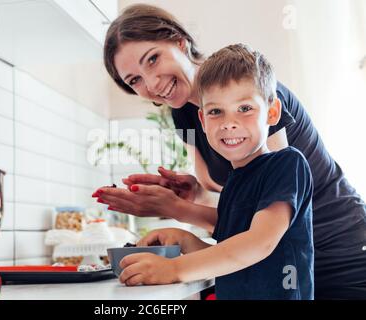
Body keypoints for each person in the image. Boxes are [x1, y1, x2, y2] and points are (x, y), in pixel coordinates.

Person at [93, 4, 366, 299]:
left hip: (339, 251)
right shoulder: (183, 114)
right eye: (134, 80)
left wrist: (175, 227)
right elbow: (239, 210)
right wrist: (190, 195)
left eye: (153, 59)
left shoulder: (257, 93)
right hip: (275, 268)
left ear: (179, 40)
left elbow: (267, 228)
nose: (151, 83)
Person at [118, 44, 314, 300]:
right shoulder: (234, 181)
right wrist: (185, 240)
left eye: (244, 108)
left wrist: (174, 268)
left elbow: (258, 243)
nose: (229, 123)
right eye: (215, 112)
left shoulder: (287, 165)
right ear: (202, 120)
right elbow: (233, 254)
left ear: (273, 112)